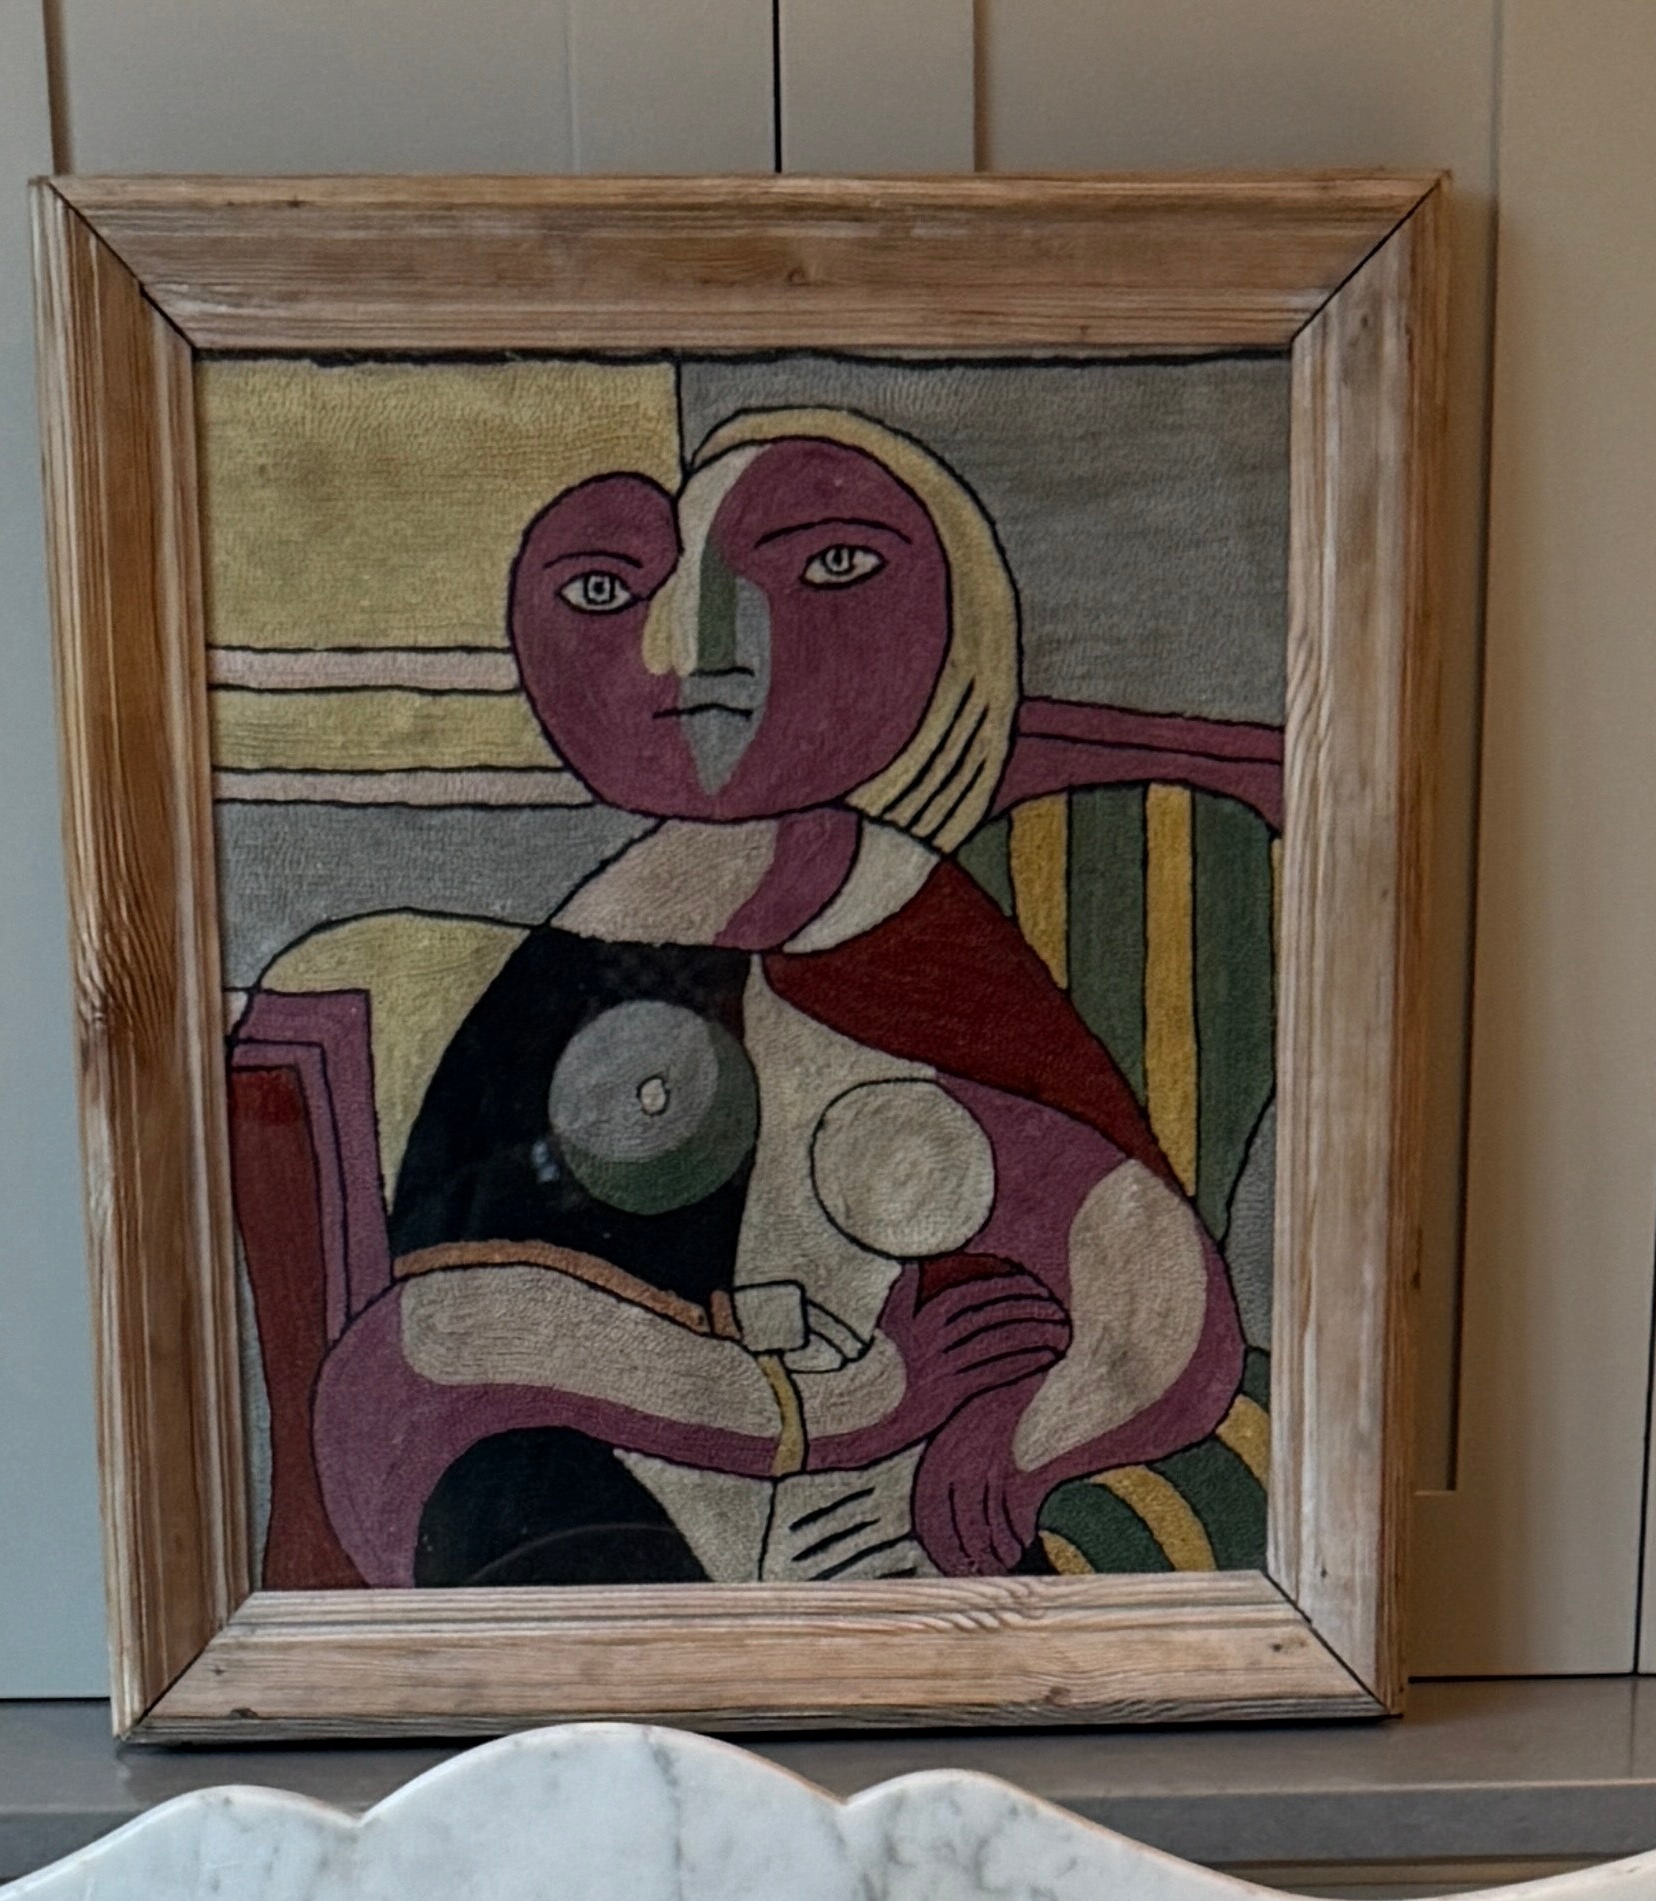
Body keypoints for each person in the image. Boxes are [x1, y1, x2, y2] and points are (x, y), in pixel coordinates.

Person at [278, 411, 1247, 1591]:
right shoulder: (588, 953)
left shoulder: (913, 934)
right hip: (619, 1505)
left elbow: (1148, 1280)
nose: (698, 651)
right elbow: (434, 1343)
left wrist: (1027, 1437)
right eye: (604, 589)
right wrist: (833, 1404)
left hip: (897, 1538)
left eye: (828, 567)